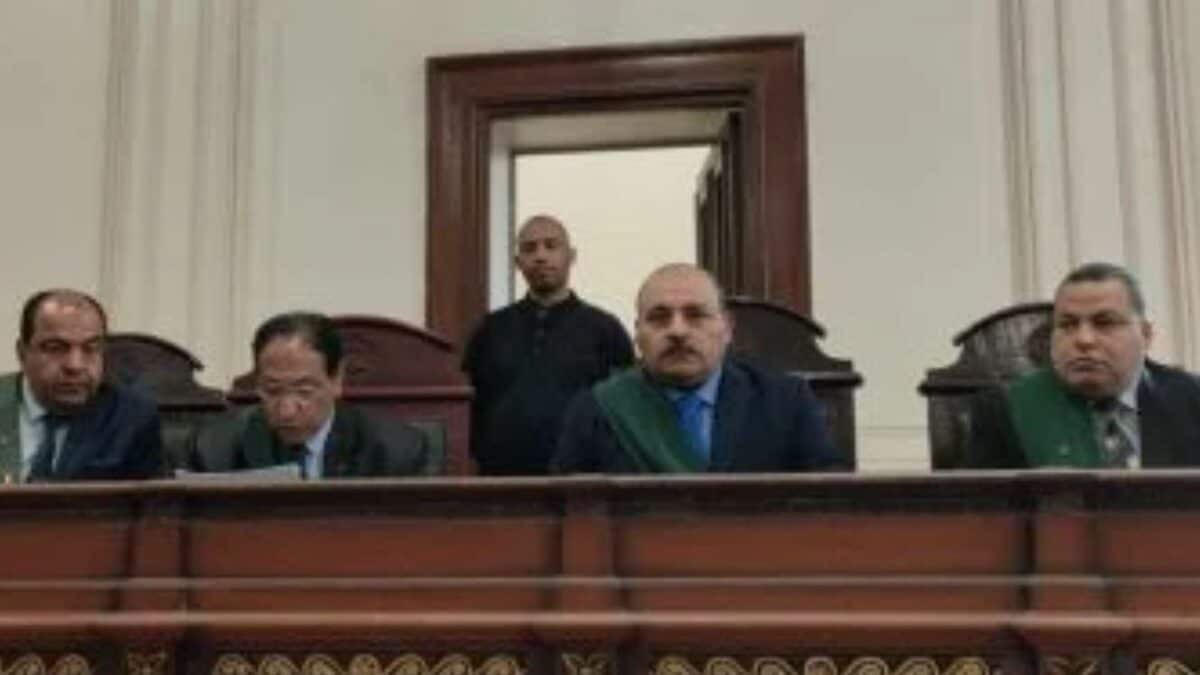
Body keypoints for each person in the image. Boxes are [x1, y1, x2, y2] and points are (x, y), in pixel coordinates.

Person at [551, 263, 841, 473]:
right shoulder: (597, 411)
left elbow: (830, 506)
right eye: (659, 317)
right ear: (637, 334)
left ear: (727, 329)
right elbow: (565, 515)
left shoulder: (786, 403)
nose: (677, 331)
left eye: (695, 315)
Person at [963, 262, 1200, 468]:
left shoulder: (1191, 400)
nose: (1084, 340)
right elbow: (982, 505)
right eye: (1067, 325)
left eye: (1104, 323)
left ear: (1145, 335)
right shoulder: (1006, 409)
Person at [462, 214, 634, 474]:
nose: (540, 256)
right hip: (499, 480)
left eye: (551, 246)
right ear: (517, 262)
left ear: (571, 256)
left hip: (582, 481)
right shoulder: (490, 329)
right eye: (529, 248)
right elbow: (469, 405)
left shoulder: (605, 329)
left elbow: (623, 409)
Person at [189, 311, 431, 477]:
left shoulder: (395, 451)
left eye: (304, 391)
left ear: (337, 379)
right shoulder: (215, 449)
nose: (286, 410)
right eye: (272, 390)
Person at [0, 289, 163, 482]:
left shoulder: (131, 417)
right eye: (55, 348)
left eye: (91, 349)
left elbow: (154, 498)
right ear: (22, 353)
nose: (75, 365)